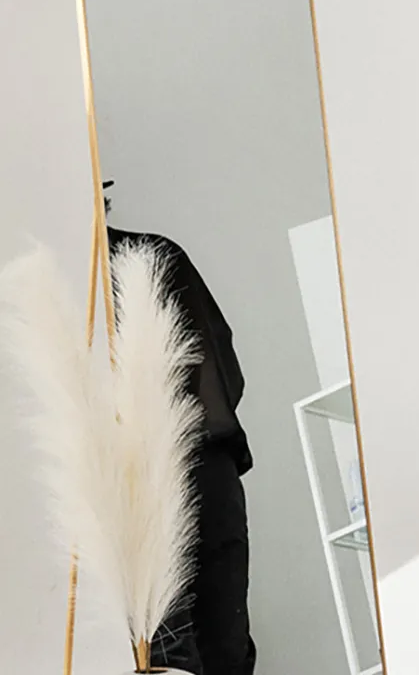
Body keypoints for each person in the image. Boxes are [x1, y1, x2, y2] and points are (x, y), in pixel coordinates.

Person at [105, 185, 257, 675]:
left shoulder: (140, 261)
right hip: (207, 473)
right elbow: (225, 372)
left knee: (168, 651)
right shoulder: (154, 256)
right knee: (221, 648)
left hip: (150, 488)